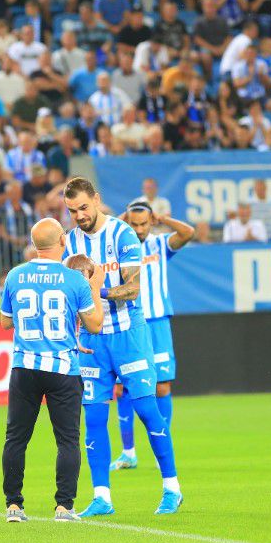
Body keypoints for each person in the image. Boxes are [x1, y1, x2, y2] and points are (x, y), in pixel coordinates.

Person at [61, 177, 182, 517]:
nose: (80, 216)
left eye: (84, 207)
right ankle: (102, 497)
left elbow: (133, 288)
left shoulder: (122, 234)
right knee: (95, 417)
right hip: (91, 341)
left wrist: (95, 290)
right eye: (73, 211)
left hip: (129, 335)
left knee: (147, 411)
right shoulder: (69, 242)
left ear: (96, 200)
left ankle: (172, 488)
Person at [0, 217, 103, 523]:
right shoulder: (74, 280)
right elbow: (95, 325)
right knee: (68, 439)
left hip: (25, 366)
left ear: (34, 243)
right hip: (62, 369)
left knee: (16, 438)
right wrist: (95, 288)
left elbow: (6, 321)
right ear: (62, 242)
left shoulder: (16, 275)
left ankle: (14, 506)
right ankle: (64, 507)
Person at [109, 199, 194, 471]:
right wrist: (120, 221)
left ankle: (162, 448)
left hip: (157, 322)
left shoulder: (159, 244)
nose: (139, 229)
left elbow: (188, 233)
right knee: (123, 389)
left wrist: (163, 219)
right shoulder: (118, 246)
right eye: (133, 224)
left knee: (162, 387)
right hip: (130, 322)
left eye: (143, 223)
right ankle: (128, 453)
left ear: (150, 222)